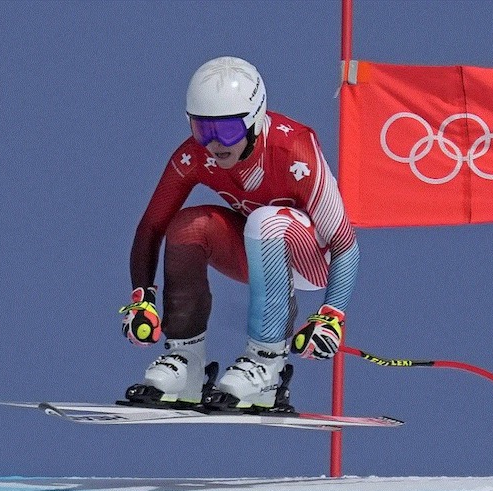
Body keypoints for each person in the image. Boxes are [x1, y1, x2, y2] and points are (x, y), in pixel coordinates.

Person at [121, 56, 360, 411]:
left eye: (228, 131)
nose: (215, 144)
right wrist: (142, 298)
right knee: (188, 225)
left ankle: (266, 366)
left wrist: (331, 315)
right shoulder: (195, 156)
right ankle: (186, 365)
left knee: (266, 220)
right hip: (259, 255)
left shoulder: (293, 148)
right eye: (203, 130)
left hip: (313, 258)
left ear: (254, 121)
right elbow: (151, 227)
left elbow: (344, 244)